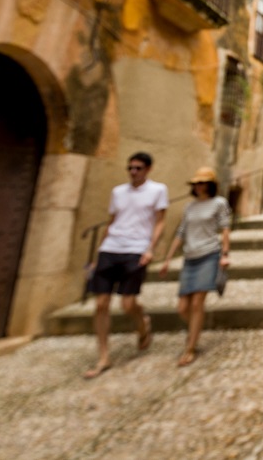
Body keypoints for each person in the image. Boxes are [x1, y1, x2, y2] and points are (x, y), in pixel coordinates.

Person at [84, 151, 169, 379]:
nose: (133, 172)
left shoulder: (158, 190)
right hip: (110, 248)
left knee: (128, 304)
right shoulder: (118, 192)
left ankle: (143, 324)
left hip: (136, 249)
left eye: (138, 168)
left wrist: (150, 249)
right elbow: (111, 222)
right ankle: (103, 356)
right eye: (130, 168)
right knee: (101, 304)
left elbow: (160, 222)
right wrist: (98, 253)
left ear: (148, 169)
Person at [159, 167, 230, 367]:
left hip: (209, 254)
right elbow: (181, 232)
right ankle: (194, 331)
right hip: (190, 258)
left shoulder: (219, 203)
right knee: (183, 307)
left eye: (202, 183)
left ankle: (190, 347)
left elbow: (225, 229)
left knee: (198, 303)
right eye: (196, 183)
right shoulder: (189, 207)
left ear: (210, 185)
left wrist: (225, 254)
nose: (198, 186)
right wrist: (167, 259)